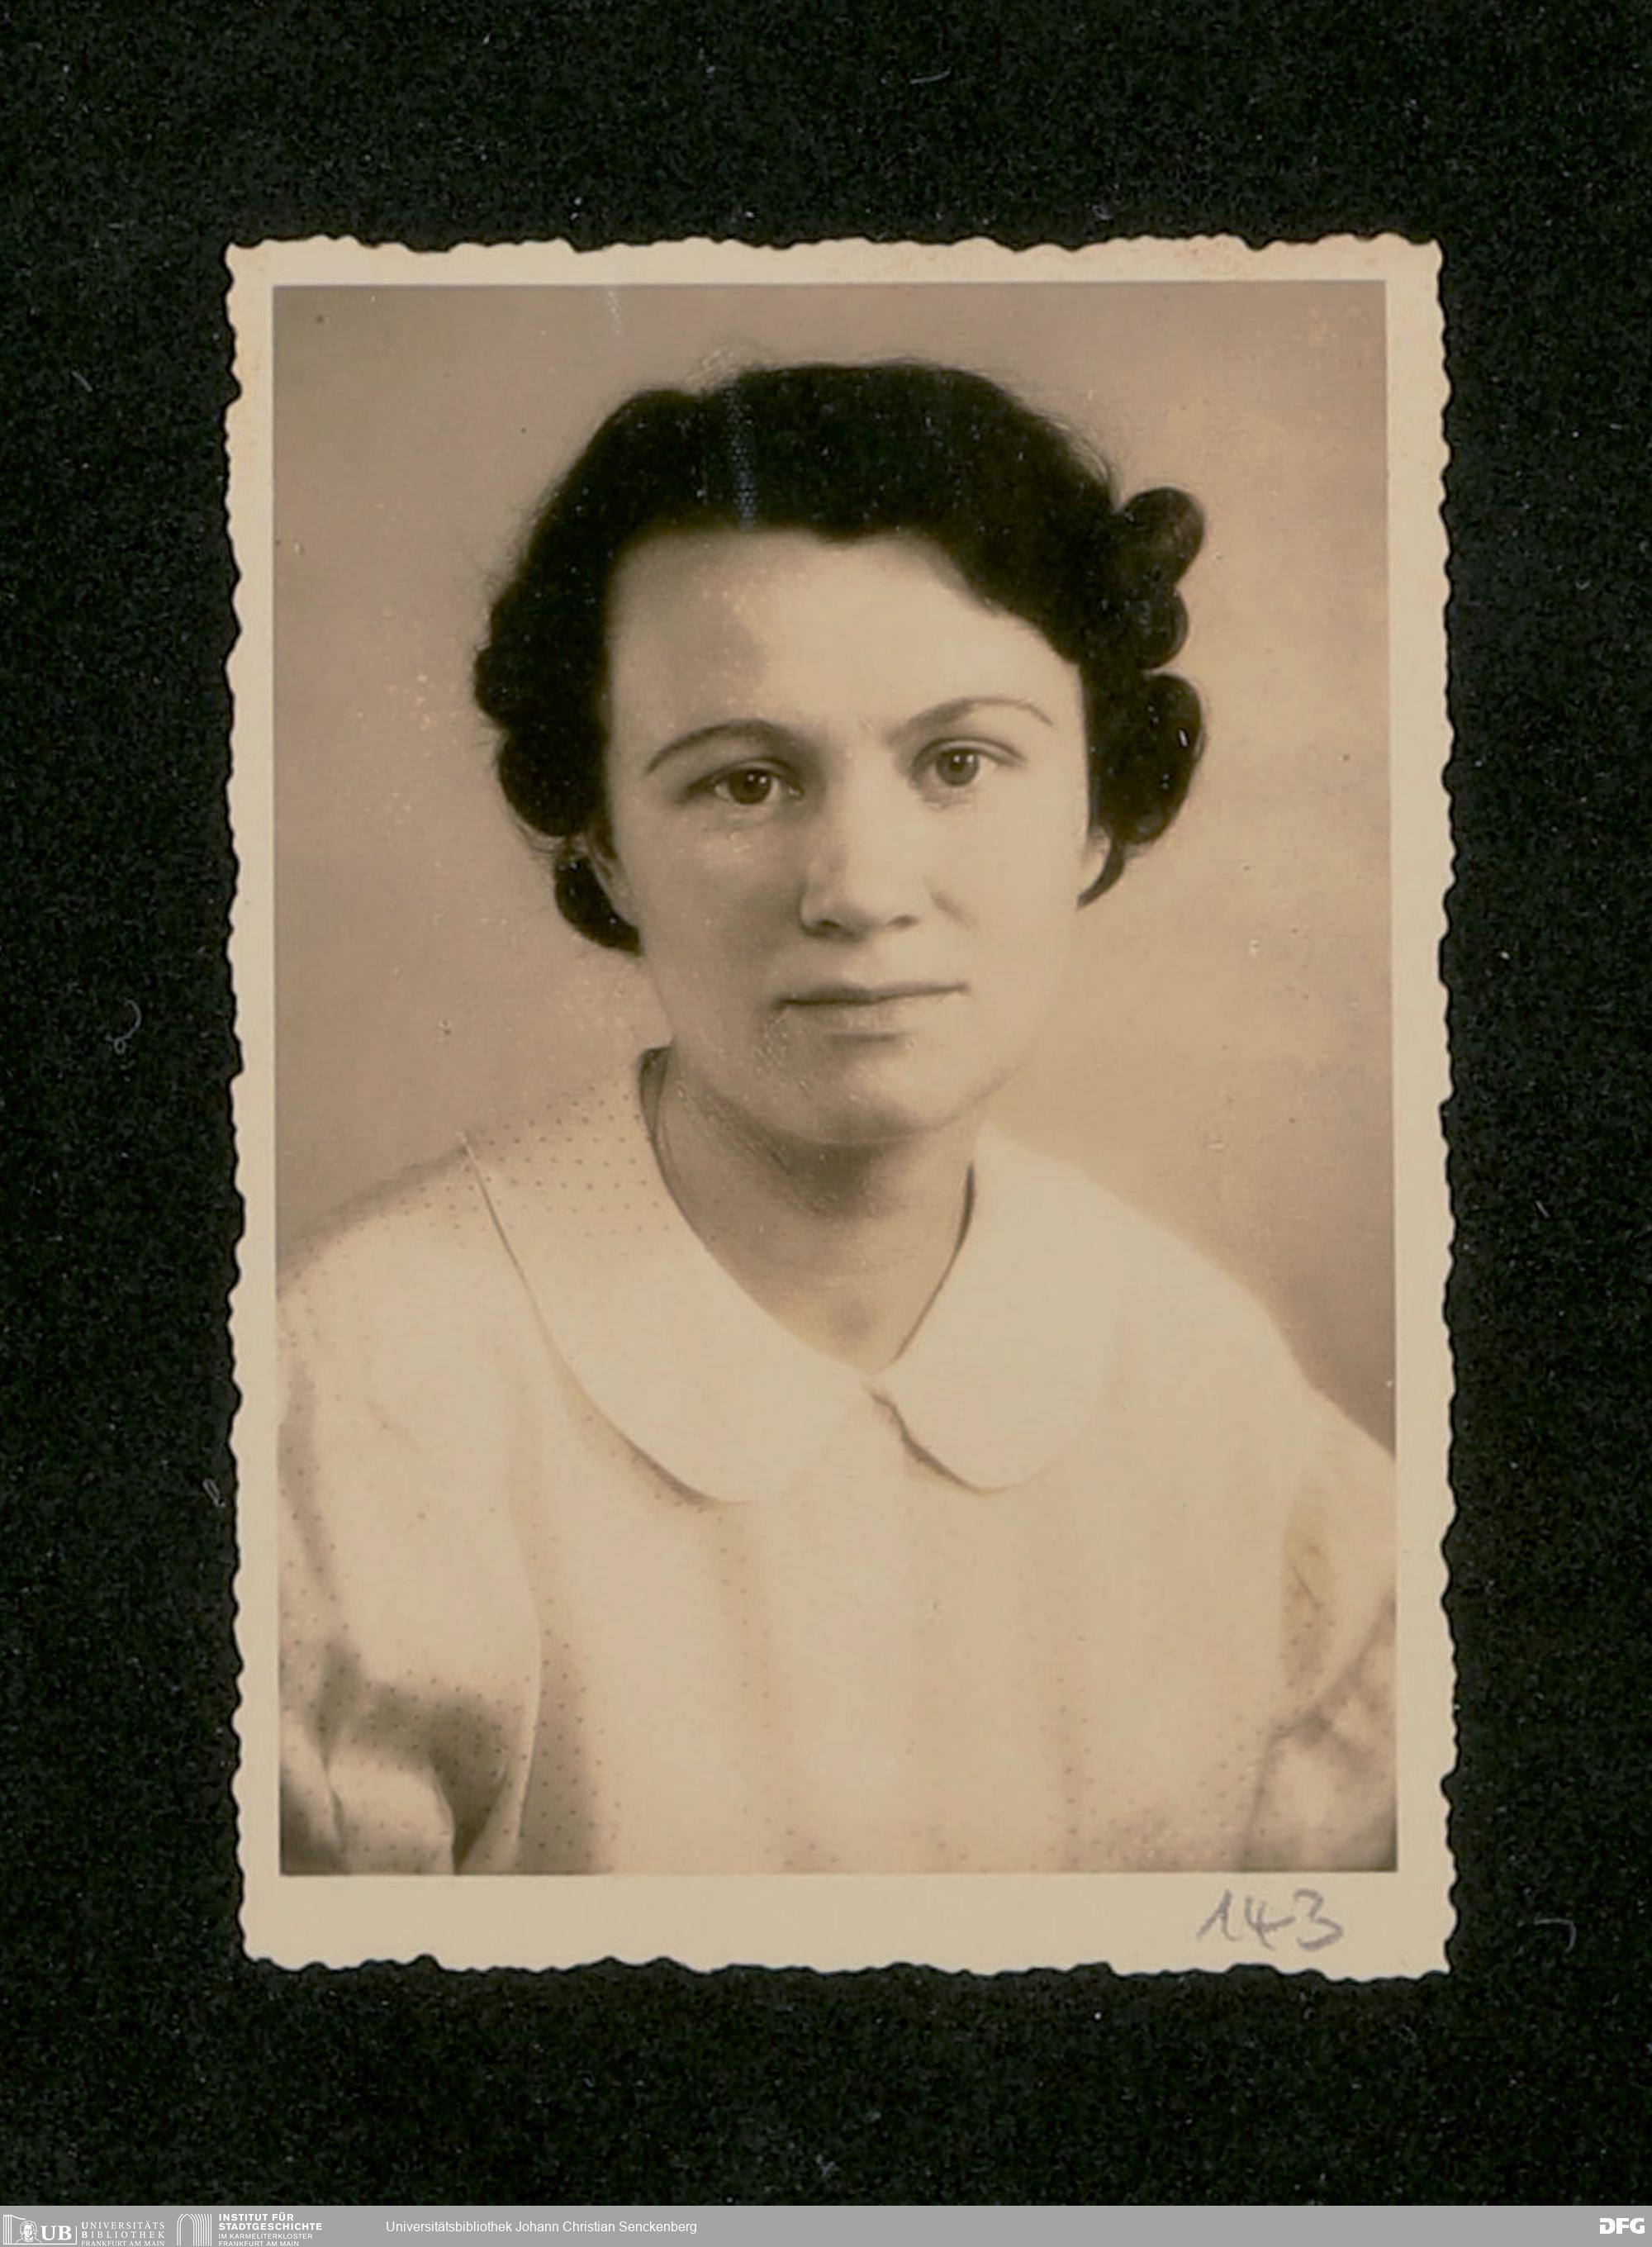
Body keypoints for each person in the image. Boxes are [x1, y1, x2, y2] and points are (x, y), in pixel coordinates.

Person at [278, 361, 1394, 1877]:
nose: (861, 889)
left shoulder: (1217, 1392)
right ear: (604, 847)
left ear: (1094, 813)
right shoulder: (346, 1411)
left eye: (960, 763)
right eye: (745, 782)